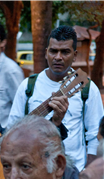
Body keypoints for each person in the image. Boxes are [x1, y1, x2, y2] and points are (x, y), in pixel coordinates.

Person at [9, 25, 104, 171]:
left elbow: (94, 138)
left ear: (75, 55)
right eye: (54, 51)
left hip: (73, 172)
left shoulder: (88, 89)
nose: (58, 57)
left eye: (65, 52)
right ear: (46, 53)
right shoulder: (28, 87)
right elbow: (12, 129)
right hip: (34, 172)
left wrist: (86, 174)